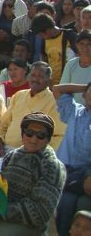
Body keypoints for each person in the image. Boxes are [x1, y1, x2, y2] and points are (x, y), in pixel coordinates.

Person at [0, 61, 65, 156]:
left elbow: (58, 136)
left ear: (48, 80)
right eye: (33, 75)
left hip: (34, 155)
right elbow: (3, 125)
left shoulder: (55, 101)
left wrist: (39, 153)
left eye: (40, 76)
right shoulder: (19, 95)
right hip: (5, 150)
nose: (35, 79)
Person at [53, 83, 91, 236]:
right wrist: (86, 87)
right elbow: (57, 89)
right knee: (64, 202)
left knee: (81, 202)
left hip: (85, 172)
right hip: (64, 169)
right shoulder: (74, 111)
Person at [31, 13, 77, 85]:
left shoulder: (70, 36)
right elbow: (43, 59)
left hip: (68, 83)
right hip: (51, 85)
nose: (40, 37)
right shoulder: (45, 40)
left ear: (48, 30)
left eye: (41, 34)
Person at [60, 30, 91, 104]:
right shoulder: (71, 64)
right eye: (81, 44)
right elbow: (63, 90)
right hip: (76, 112)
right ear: (76, 45)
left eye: (89, 44)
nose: (85, 48)